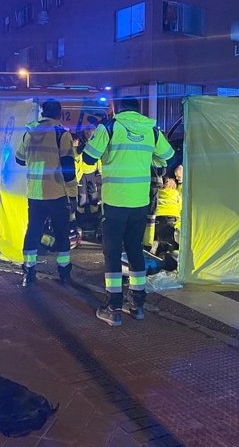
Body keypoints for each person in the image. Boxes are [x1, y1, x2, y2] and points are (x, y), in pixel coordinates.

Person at [83, 96, 174, 326]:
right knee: (135, 250)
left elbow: (88, 157)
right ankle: (137, 305)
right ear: (138, 110)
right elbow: (168, 156)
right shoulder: (151, 129)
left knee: (112, 253)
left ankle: (113, 307)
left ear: (117, 108)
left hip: (115, 202)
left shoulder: (110, 127)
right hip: (139, 202)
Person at [15, 99, 76, 287]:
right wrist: (72, 195)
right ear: (58, 114)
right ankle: (64, 273)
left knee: (33, 231)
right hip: (57, 193)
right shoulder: (61, 134)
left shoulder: (29, 133)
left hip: (35, 193)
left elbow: (19, 160)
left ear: (42, 113)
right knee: (61, 233)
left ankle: (29, 271)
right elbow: (68, 169)